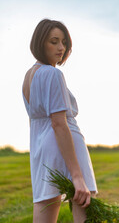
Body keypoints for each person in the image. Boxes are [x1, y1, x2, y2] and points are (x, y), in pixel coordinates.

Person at [22, 19, 98, 223]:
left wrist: (39, 153)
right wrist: (77, 175)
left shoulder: (30, 75)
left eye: (64, 42)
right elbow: (58, 123)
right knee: (84, 201)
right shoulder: (53, 74)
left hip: (41, 146)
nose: (61, 47)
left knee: (45, 204)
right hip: (65, 141)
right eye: (54, 41)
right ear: (39, 43)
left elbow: (37, 121)